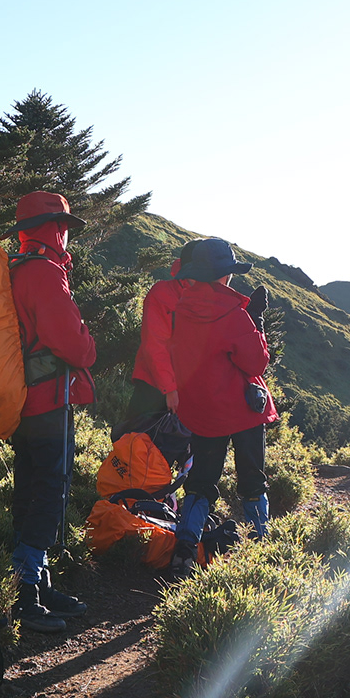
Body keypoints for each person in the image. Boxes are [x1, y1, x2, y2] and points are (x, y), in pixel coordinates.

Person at [5, 192, 95, 633]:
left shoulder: (16, 268)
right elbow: (74, 346)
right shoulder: (45, 273)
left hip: (21, 399)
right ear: (55, 229)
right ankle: (25, 592)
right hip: (48, 400)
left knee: (30, 487)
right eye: (63, 227)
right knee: (50, 491)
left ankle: (35, 583)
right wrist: (88, 342)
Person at [164, 238, 275, 575]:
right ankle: (261, 549)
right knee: (252, 480)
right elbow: (256, 363)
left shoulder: (181, 310)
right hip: (242, 412)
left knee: (200, 481)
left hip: (202, 412)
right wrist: (256, 323)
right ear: (225, 274)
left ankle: (185, 548)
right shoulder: (234, 314)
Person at [127, 243, 194, 421]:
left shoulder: (205, 296)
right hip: (153, 385)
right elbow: (155, 344)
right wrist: (170, 389)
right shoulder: (162, 293)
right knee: (137, 434)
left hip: (186, 390)